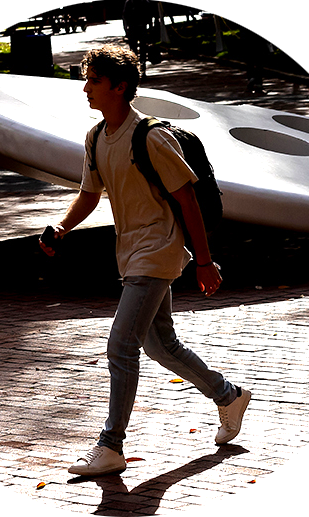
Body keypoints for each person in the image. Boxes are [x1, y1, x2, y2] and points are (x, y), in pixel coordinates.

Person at [40, 45, 251, 477]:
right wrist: (62, 228)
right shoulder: (97, 137)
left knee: (121, 344)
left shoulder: (151, 137)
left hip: (159, 251)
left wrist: (204, 261)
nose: (86, 89)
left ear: (120, 86)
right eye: (88, 80)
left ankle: (110, 444)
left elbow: (186, 198)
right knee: (160, 344)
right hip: (131, 252)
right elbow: (89, 193)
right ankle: (227, 394)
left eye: (94, 81)